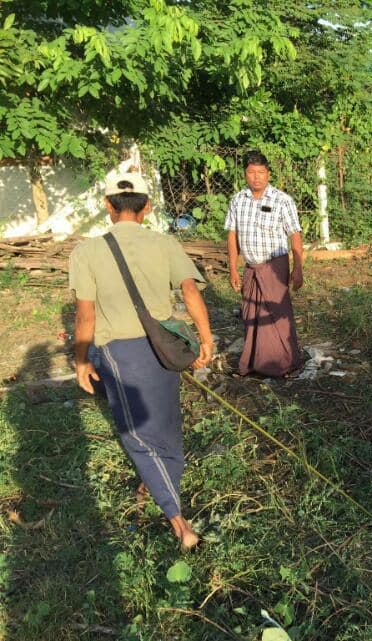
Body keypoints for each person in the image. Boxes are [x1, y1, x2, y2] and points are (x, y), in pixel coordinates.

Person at [69, 172, 214, 549]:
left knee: (136, 433)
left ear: (107, 207)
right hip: (164, 345)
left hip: (121, 350)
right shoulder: (165, 243)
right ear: (147, 207)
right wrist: (206, 337)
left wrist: (81, 359)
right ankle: (161, 480)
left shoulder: (87, 251)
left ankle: (179, 521)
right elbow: (189, 291)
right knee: (165, 421)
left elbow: (86, 316)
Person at [226, 150, 303, 377]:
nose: (256, 177)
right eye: (251, 172)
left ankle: (285, 364)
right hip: (250, 267)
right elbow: (232, 235)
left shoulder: (282, 200)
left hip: (275, 266)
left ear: (268, 173)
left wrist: (298, 269)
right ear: (244, 174)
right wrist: (233, 268)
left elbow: (295, 235)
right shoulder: (238, 200)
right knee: (251, 315)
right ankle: (254, 363)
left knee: (278, 316)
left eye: (261, 172)